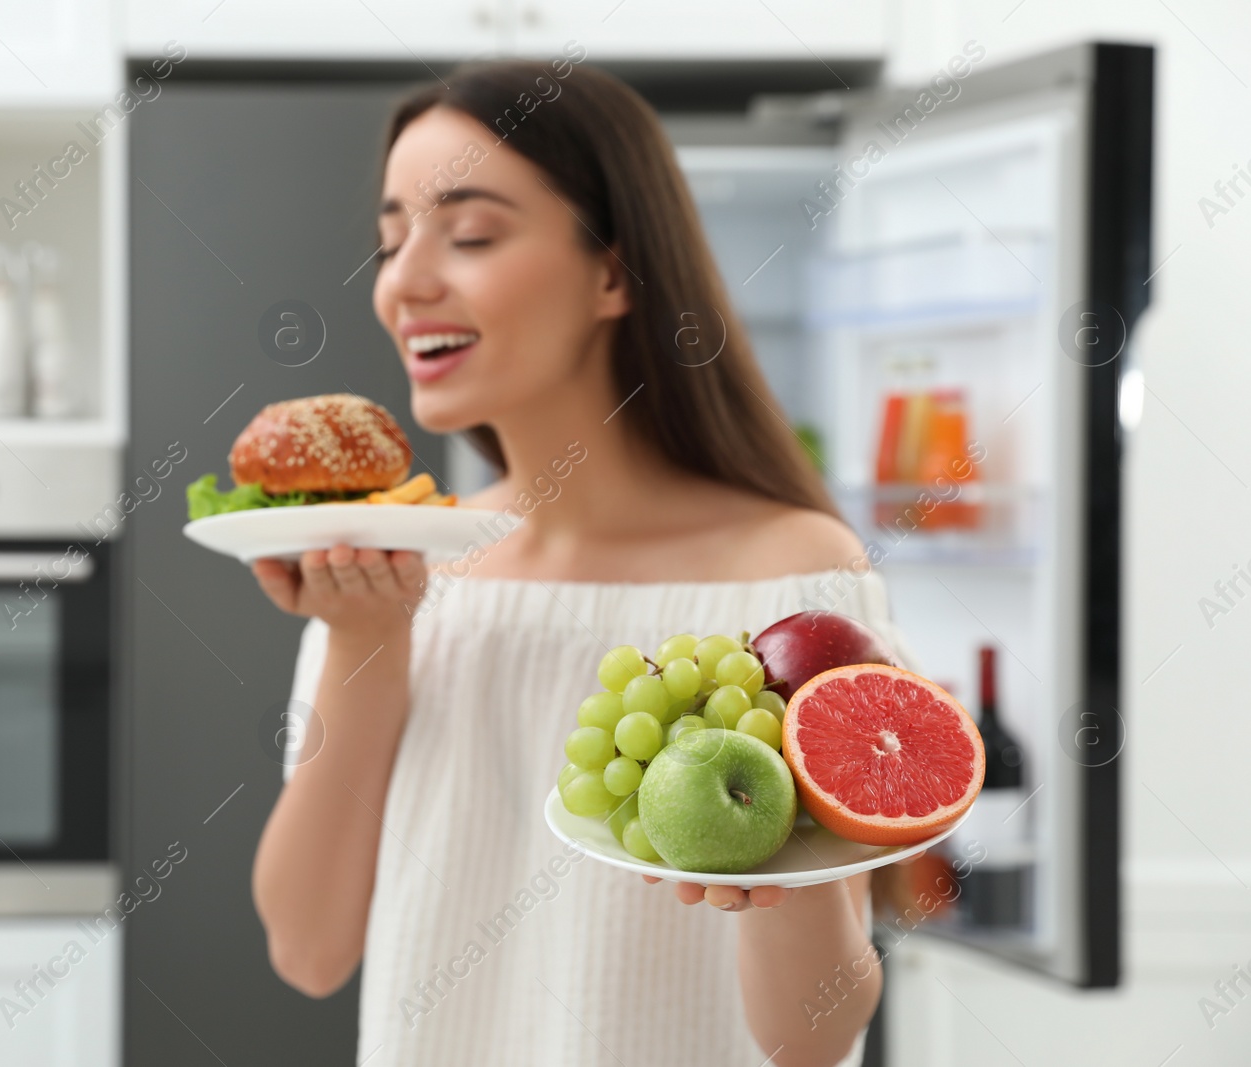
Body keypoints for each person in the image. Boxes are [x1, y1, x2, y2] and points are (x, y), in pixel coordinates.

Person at [250, 60, 916, 1067]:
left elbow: (812, 1033)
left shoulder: (797, 581)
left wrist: (783, 862)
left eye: (469, 234)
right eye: (390, 241)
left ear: (613, 270)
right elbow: (306, 947)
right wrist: (365, 635)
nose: (404, 280)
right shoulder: (398, 568)